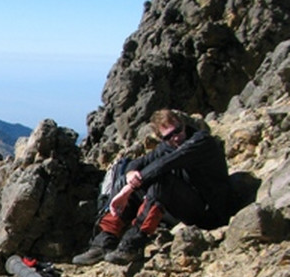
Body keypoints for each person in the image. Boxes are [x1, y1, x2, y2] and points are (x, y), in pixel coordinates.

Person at [72, 109, 231, 265]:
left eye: (178, 131)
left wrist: (129, 189)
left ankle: (133, 245)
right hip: (184, 206)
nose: (176, 138)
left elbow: (166, 163)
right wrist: (130, 174)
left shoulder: (201, 141)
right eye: (169, 136)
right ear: (161, 138)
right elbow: (139, 162)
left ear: (183, 124)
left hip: (210, 211)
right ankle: (104, 242)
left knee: (161, 181)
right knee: (123, 181)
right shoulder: (167, 147)